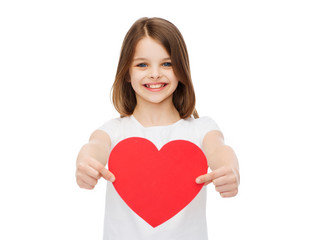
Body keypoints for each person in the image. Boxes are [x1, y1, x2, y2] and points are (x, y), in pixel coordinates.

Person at [76, 17, 240, 240]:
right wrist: (85, 164)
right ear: (127, 72)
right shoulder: (114, 131)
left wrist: (230, 170)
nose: (155, 73)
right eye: (142, 64)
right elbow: (94, 146)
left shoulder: (201, 129)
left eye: (167, 63)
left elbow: (220, 150)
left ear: (181, 70)